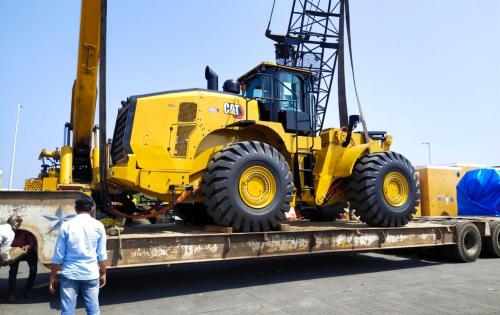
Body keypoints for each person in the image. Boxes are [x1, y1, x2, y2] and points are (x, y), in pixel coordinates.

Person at [49, 196, 107, 315]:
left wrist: (53, 277)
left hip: (70, 274)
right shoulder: (98, 226)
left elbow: (58, 256)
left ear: (75, 209)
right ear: (92, 209)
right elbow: (102, 255)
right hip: (91, 274)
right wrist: (103, 273)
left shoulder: (66, 226)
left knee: (67, 311)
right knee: (93, 310)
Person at [7, 229, 38, 303]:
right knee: (13, 271)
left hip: (28, 251)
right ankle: (11, 294)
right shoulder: (8, 232)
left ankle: (28, 289)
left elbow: (32, 242)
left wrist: (28, 246)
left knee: (33, 269)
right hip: (15, 251)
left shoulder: (25, 230)